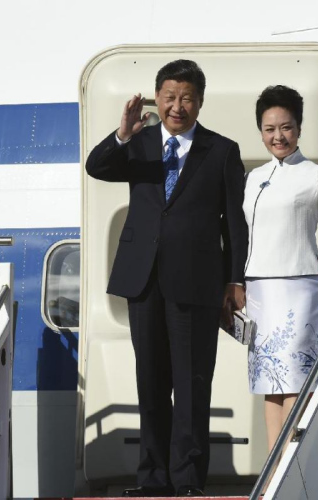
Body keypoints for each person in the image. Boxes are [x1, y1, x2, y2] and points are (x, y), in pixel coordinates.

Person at [85, 59, 248, 497]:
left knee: (193, 384)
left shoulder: (222, 150)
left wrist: (235, 281)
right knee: (151, 381)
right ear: (158, 98)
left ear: (199, 102)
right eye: (170, 97)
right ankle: (152, 478)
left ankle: (188, 480)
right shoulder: (138, 144)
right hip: (144, 279)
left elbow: (234, 224)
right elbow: (96, 167)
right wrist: (122, 132)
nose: (178, 106)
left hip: (196, 282)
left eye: (187, 98)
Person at [242, 85, 318, 483]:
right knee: (269, 385)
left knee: (294, 381)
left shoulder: (314, 174)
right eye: (269, 128)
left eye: (286, 127)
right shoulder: (254, 177)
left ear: (299, 128)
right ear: (260, 130)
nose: (278, 136)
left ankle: (291, 468)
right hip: (259, 291)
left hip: (295, 288)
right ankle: (274, 469)